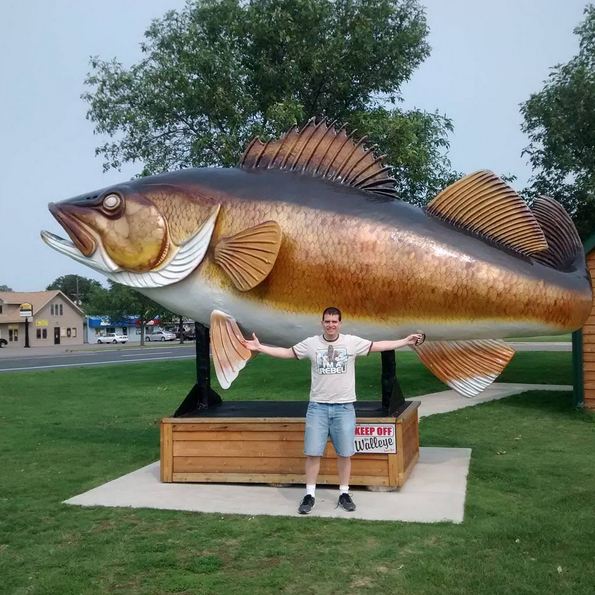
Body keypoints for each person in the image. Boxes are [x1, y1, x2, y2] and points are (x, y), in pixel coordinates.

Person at [241, 307, 424, 515]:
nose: (330, 325)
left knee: (345, 454)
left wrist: (405, 341)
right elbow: (287, 353)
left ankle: (344, 493)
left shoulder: (351, 342)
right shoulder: (311, 344)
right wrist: (260, 347)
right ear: (322, 323)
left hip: (344, 408)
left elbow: (379, 345)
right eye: (327, 321)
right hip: (317, 408)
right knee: (313, 453)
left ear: (340, 323)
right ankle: (310, 494)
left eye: (334, 321)